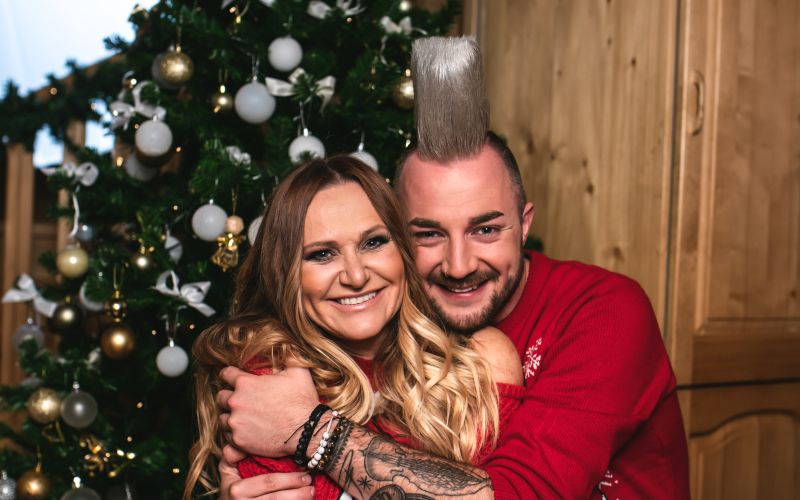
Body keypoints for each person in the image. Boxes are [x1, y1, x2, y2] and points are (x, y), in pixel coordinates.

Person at [215, 37, 690, 499]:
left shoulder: (605, 310)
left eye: (486, 230)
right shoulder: (381, 328)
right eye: (428, 234)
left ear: (525, 225)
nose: (459, 266)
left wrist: (310, 431)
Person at [185, 155, 525, 500]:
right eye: (322, 254)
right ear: (284, 274)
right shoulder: (269, 376)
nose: (356, 276)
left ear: (403, 250)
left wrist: (310, 428)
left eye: (373, 242)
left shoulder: (478, 365)